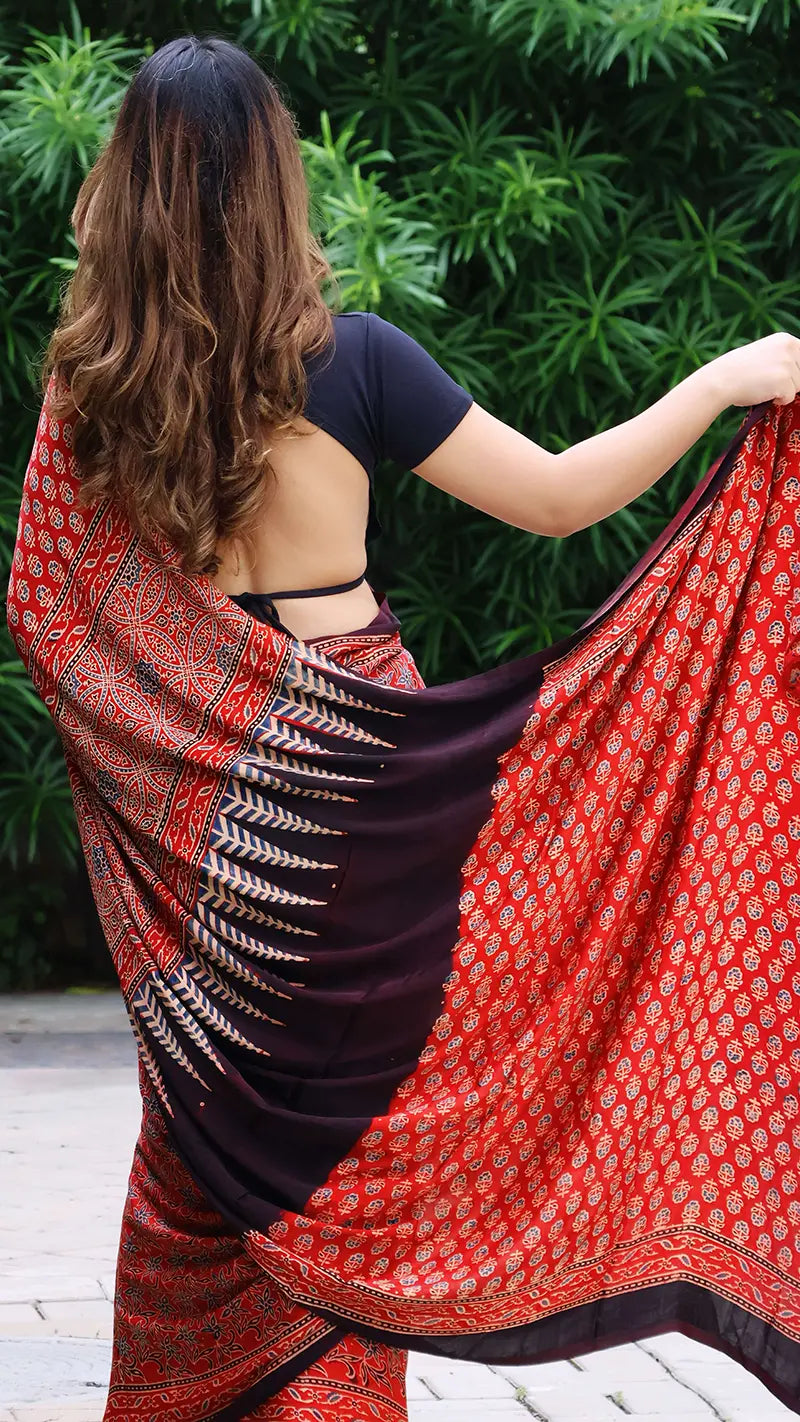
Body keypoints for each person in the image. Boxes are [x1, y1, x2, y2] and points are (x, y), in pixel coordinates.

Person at [8, 31, 800, 1422]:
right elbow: (558, 497)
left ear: (124, 190)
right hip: (371, 827)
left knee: (201, 1161)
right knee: (340, 1168)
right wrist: (723, 378)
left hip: (207, 847)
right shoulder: (355, 359)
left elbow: (53, 618)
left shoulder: (93, 386)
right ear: (274, 187)